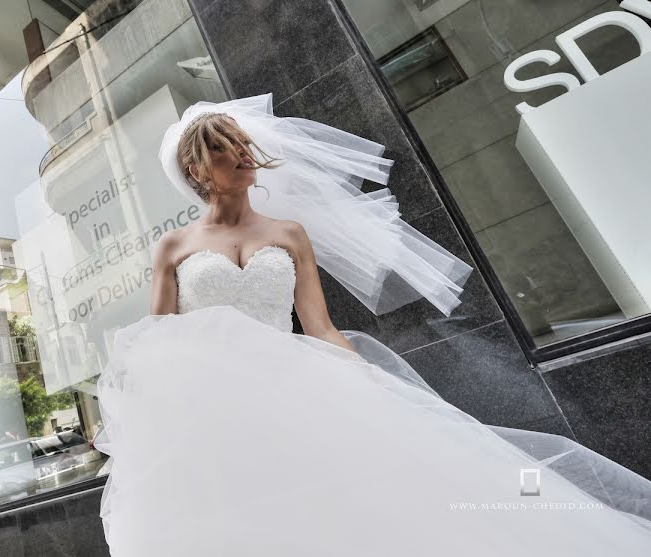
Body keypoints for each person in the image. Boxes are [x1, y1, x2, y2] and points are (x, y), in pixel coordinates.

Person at [92, 94, 651, 556]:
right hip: (211, 411)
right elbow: (157, 341)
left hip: (294, 389)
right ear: (196, 168)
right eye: (224, 148)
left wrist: (367, 386)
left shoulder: (288, 234)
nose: (243, 154)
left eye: (243, 142)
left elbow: (319, 325)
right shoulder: (174, 246)